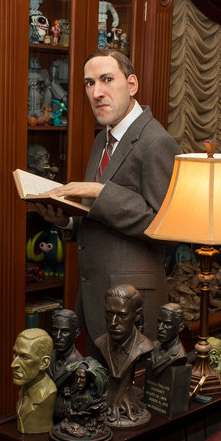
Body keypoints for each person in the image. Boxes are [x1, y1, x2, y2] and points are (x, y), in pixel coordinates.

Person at [33, 48, 179, 346]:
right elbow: (99, 217)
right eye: (90, 83)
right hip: (96, 297)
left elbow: (165, 227)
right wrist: (64, 221)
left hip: (132, 304)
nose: (97, 92)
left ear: (132, 84)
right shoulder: (103, 138)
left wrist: (101, 191)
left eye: (107, 79)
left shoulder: (157, 142)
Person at [92, 284, 156, 428]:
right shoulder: (101, 343)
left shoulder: (144, 346)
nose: (113, 322)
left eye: (122, 315)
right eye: (109, 313)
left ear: (137, 316)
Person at [11, 328, 57, 434]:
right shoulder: (23, 390)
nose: (13, 364)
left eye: (24, 357)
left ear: (44, 363)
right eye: (15, 354)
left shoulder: (48, 393)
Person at [149, 302, 187, 377]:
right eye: (159, 322)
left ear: (180, 327)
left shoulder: (180, 355)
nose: (160, 328)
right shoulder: (152, 346)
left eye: (167, 324)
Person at [48, 308, 83, 387]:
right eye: (55, 330)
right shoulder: (47, 356)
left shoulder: (79, 363)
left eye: (65, 331)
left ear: (77, 333)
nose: (58, 336)